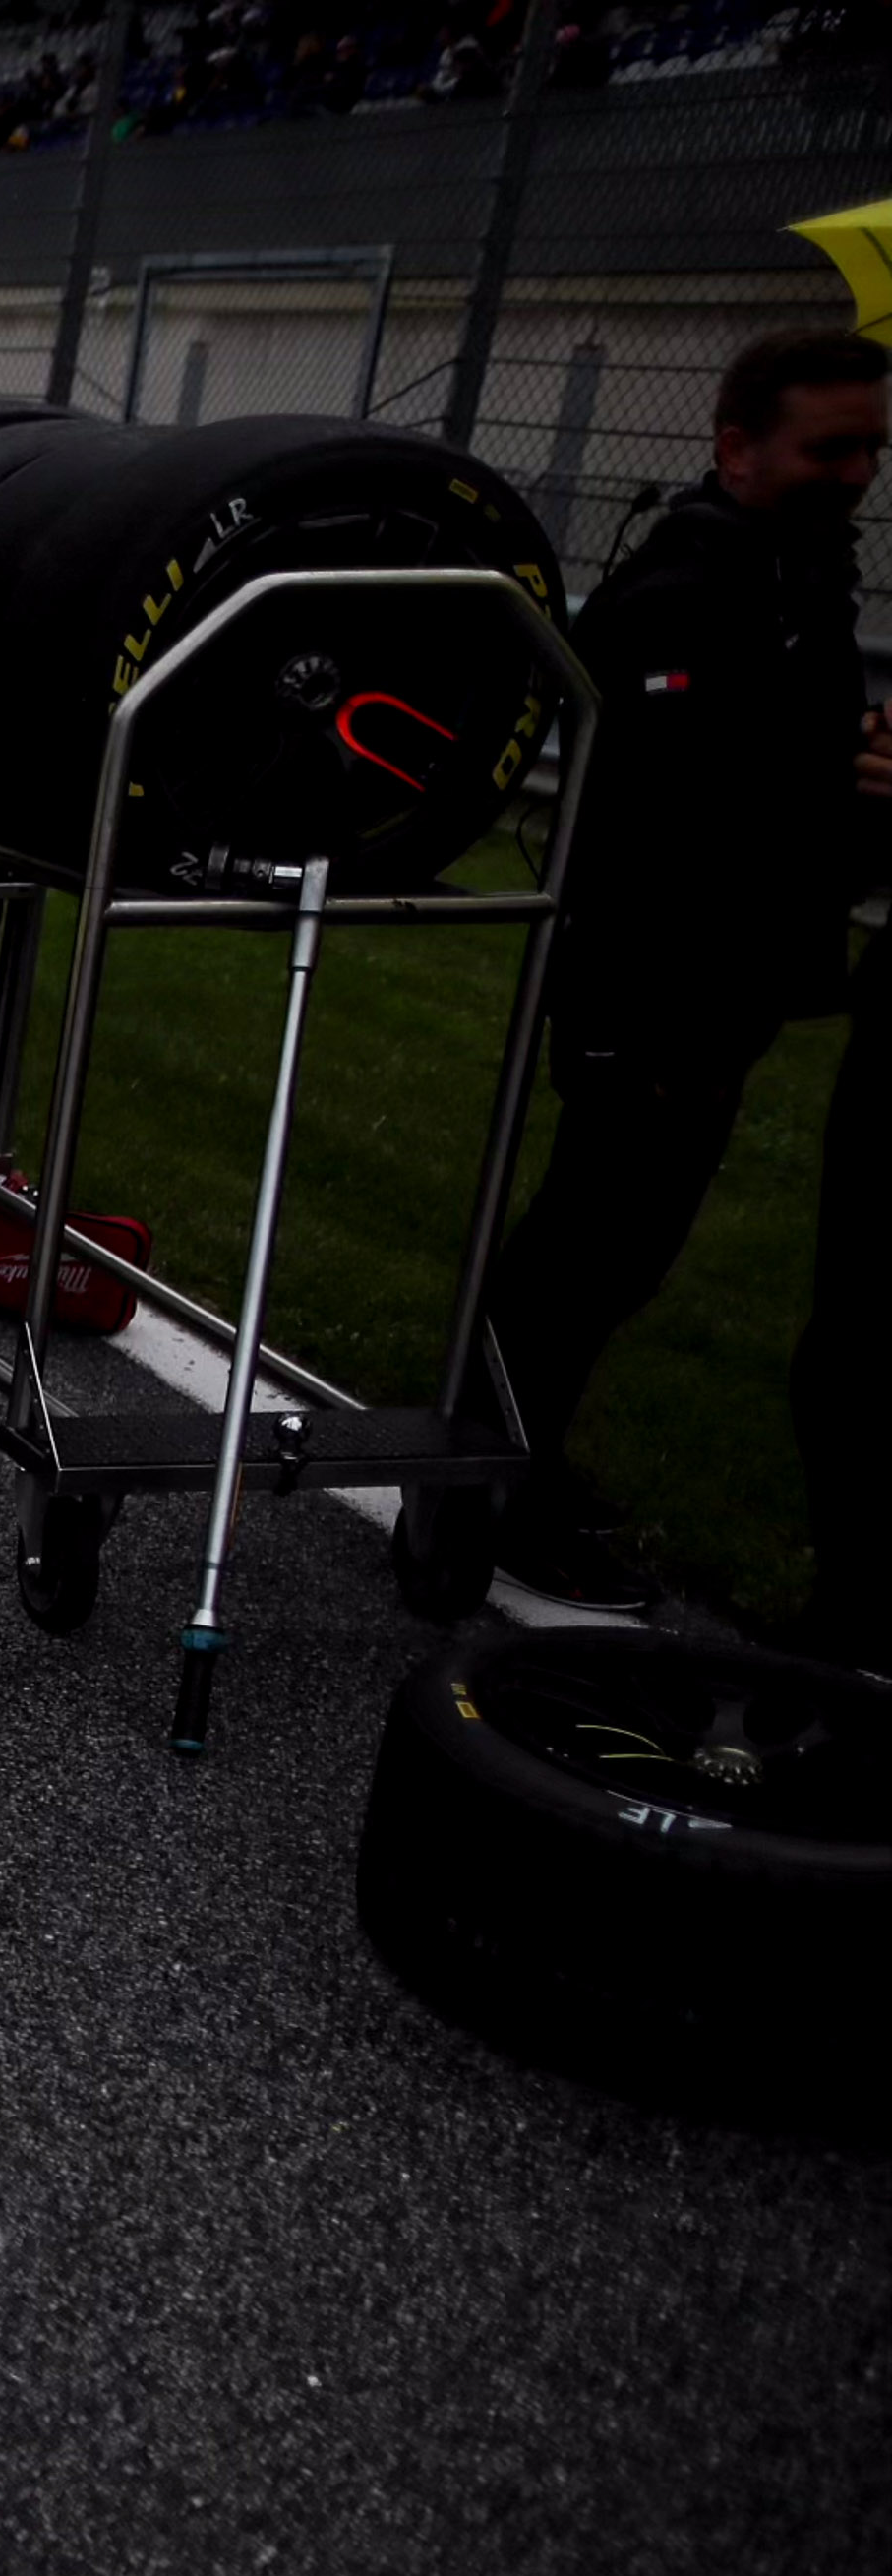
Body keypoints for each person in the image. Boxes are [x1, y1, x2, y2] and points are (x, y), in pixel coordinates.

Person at [482, 326, 890, 1618]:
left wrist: (859, 776)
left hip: (730, 988)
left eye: (873, 450)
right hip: (657, 990)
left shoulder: (801, 577)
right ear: (737, 447)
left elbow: (790, 791)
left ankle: (509, 1459)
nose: (857, 474)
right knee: (585, 1251)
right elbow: (668, 825)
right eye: (831, 449)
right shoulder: (688, 591)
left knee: (618, 1253)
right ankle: (490, 1490)